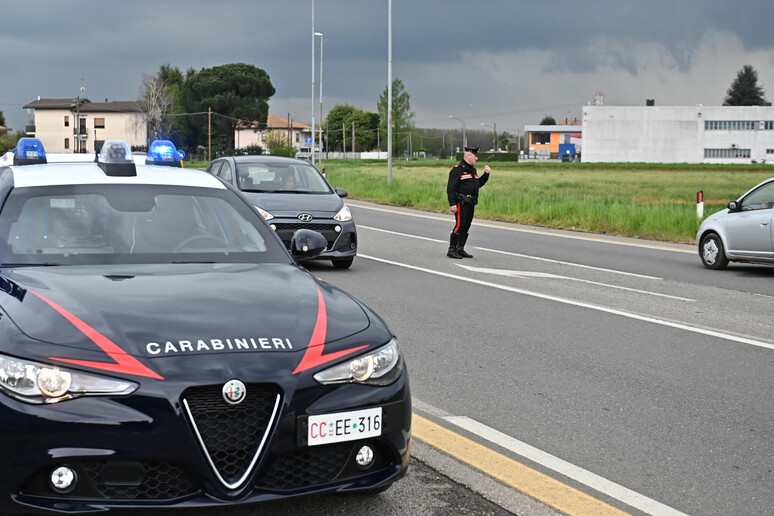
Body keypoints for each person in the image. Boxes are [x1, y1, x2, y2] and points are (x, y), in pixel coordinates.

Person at [446, 146, 491, 259]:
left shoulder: (472, 170)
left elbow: (477, 184)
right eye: (475, 156)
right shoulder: (457, 170)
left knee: (466, 226)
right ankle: (452, 249)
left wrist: (486, 174)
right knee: (460, 225)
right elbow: (450, 189)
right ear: (469, 156)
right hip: (461, 202)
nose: (477, 159)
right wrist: (452, 204)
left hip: (471, 202)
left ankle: (460, 248)